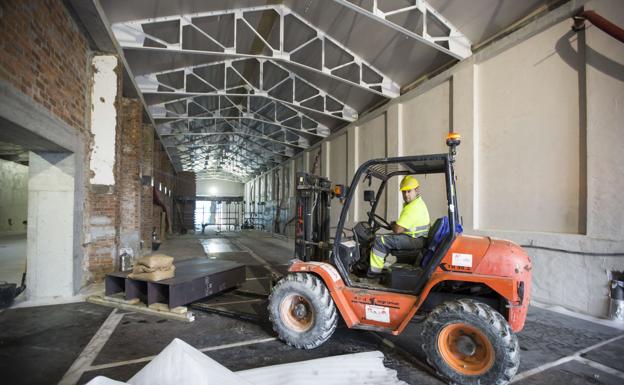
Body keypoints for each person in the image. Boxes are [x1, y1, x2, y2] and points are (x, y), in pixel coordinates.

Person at [368, 175, 430, 276]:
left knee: (380, 241)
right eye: (404, 192)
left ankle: (373, 273)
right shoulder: (417, 203)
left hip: (415, 240)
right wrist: (394, 225)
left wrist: (394, 225)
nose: (406, 195)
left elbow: (398, 229)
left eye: (409, 191)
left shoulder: (413, 207)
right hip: (417, 238)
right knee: (386, 238)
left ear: (417, 190)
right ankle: (378, 267)